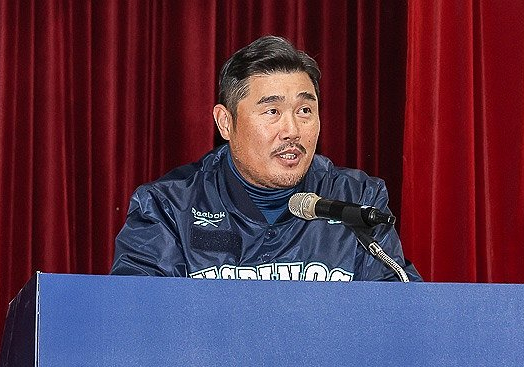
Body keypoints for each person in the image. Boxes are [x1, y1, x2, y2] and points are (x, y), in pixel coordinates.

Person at [110, 35, 421, 282]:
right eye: (272, 111)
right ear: (225, 123)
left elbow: (398, 319)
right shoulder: (168, 208)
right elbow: (136, 326)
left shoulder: (355, 201)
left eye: (305, 111)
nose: (292, 130)